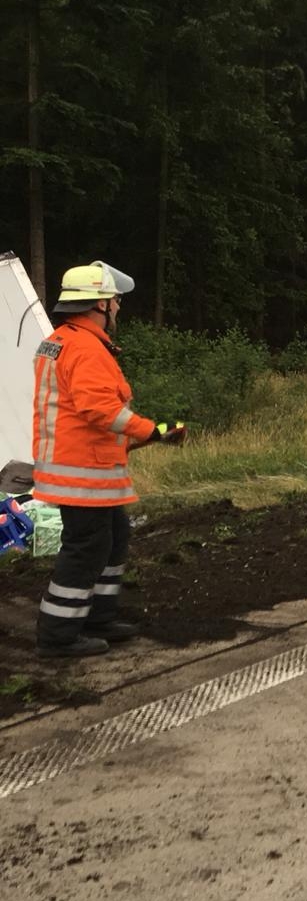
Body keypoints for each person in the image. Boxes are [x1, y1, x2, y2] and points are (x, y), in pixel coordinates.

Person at [32, 262, 185, 659]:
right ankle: (58, 634)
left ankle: (98, 617)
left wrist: (145, 435)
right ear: (99, 304)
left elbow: (79, 412)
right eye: (115, 300)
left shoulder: (61, 341)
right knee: (87, 548)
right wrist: (151, 431)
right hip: (82, 472)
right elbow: (99, 409)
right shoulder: (85, 348)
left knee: (113, 539)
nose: (118, 306)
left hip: (85, 466)